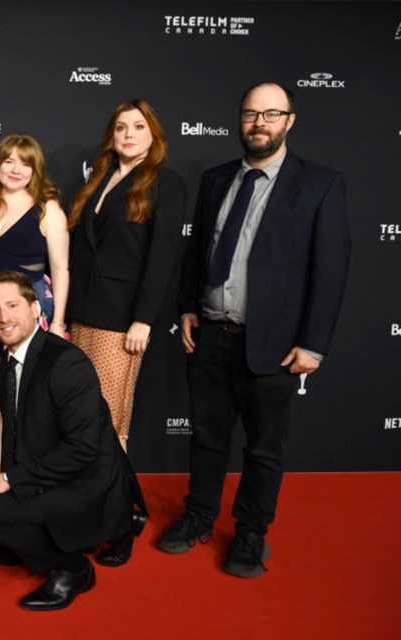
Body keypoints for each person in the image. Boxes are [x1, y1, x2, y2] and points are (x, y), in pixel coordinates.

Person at [158, 82, 350, 578]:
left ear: (289, 120)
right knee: (206, 438)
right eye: (250, 114)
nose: (259, 123)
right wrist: (186, 307)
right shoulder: (217, 179)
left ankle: (250, 532)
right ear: (239, 121)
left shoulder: (320, 184)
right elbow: (197, 251)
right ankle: (199, 517)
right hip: (211, 334)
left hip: (276, 344)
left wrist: (314, 344)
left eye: (270, 114)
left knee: (264, 447)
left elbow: (330, 271)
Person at [0, 270, 146, 611]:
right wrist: (7, 480)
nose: (3, 318)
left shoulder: (65, 362)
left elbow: (83, 451)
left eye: (12, 305)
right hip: (53, 469)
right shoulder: (15, 355)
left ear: (35, 308)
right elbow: (18, 431)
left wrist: (9, 480)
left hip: (85, 480)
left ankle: (74, 568)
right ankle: (113, 524)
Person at [65, 99, 188, 452]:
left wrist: (144, 319)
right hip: (83, 313)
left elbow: (163, 257)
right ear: (112, 136)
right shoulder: (100, 179)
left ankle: (115, 500)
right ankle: (86, 495)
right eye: (121, 127)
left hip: (121, 318)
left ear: (154, 135)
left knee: (109, 413)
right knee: (81, 410)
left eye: (138, 127)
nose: (128, 134)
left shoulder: (167, 182)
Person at [0, 134, 69, 472]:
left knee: (32, 402)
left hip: (28, 310)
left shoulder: (47, 208)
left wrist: (59, 322)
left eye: (25, 163)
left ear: (36, 170)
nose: (16, 169)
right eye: (9, 161)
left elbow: (61, 269)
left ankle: (34, 481)